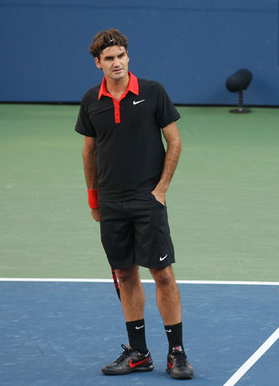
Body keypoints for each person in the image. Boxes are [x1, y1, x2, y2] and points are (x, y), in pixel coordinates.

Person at [75, 28, 194, 380]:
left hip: (147, 199)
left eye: (121, 56)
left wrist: (161, 190)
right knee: (125, 274)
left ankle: (177, 353)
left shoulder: (153, 92)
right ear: (98, 63)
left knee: (163, 274)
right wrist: (94, 199)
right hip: (111, 203)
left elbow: (175, 142)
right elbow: (89, 151)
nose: (117, 63)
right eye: (109, 58)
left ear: (128, 56)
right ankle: (139, 353)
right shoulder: (91, 100)